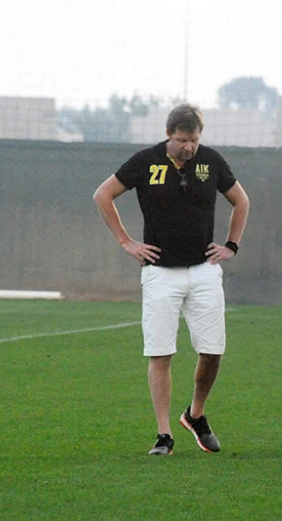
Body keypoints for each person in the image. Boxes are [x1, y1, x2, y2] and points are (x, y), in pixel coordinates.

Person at [93, 103, 250, 456]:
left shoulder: (211, 161)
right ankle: (164, 434)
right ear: (168, 135)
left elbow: (241, 201)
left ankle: (195, 413)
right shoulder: (145, 162)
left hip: (204, 270)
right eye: (182, 140)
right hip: (160, 272)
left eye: (194, 139)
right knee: (160, 353)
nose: (189, 147)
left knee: (212, 351)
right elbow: (103, 195)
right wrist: (126, 241)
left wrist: (231, 246)